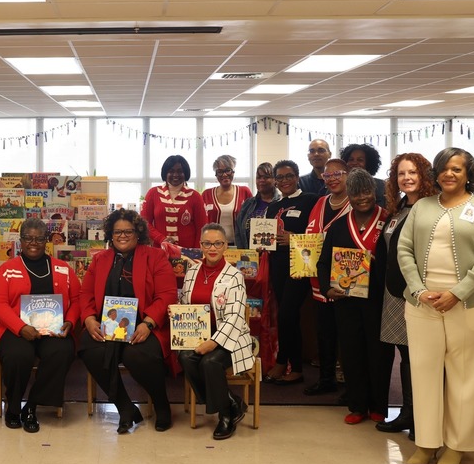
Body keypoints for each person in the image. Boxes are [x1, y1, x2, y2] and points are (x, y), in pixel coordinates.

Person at [398, 147, 474, 464]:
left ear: (468, 174)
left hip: (470, 303)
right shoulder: (422, 207)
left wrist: (457, 293)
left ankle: (457, 446)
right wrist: (418, 289)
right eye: (444, 168)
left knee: (465, 375)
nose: (449, 174)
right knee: (424, 371)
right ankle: (426, 443)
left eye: (457, 169)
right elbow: (404, 250)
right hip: (423, 302)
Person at [79, 209, 178, 433]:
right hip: (108, 326)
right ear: (110, 235)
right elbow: (85, 295)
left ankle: (161, 405)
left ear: (138, 232)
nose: (122, 236)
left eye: (128, 231)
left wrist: (149, 322)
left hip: (145, 325)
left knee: (137, 354)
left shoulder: (155, 256)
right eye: (117, 232)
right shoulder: (100, 259)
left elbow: (168, 294)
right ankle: (125, 407)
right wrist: (88, 319)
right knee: (89, 347)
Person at [0, 218, 80, 433]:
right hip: (14, 329)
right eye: (28, 238)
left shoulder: (64, 269)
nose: (33, 242)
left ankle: (32, 405)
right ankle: (13, 405)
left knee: (63, 351)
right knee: (18, 355)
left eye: (39, 238)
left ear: (47, 240)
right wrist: (20, 327)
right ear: (20, 240)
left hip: (53, 329)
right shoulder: (6, 270)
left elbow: (77, 300)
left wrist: (70, 321)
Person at [317, 169, 392, 425]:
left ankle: (379, 406)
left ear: (375, 192)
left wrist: (377, 261)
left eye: (367, 192)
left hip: (379, 300)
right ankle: (358, 405)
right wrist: (328, 289)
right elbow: (324, 262)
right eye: (356, 193)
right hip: (346, 301)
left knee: (379, 353)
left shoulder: (388, 221)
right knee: (351, 352)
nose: (362, 198)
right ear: (349, 195)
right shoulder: (339, 225)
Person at [375, 152, 438, 440]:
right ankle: (409, 413)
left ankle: (420, 417)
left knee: (417, 356)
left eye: (413, 172)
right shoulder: (400, 208)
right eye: (401, 173)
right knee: (406, 354)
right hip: (393, 291)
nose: (407, 178)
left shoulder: (431, 209)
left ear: (424, 175)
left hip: (415, 293)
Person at [179, 224, 255, 440]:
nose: (212, 248)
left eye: (218, 243)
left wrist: (213, 343)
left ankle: (225, 416)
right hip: (198, 334)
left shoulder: (234, 276)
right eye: (207, 243)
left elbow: (235, 317)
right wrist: (176, 311)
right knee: (185, 357)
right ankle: (232, 402)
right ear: (201, 245)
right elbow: (187, 304)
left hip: (232, 337)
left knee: (209, 362)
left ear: (225, 246)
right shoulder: (192, 271)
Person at [262, 160, 319, 385]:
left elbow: (318, 234)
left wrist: (293, 239)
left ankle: (289, 364)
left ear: (297, 177)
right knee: (285, 316)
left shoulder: (311, 200)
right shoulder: (274, 206)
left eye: (289, 176)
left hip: (300, 265)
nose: (284, 181)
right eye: (280, 177)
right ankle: (287, 362)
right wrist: (262, 242)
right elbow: (265, 235)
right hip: (277, 264)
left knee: (288, 314)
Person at [301, 157, 352, 396]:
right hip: (318, 279)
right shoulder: (320, 202)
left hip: (347, 280)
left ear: (348, 175)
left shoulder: (356, 202)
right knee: (325, 332)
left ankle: (351, 381)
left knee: (347, 333)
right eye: (327, 175)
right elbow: (309, 237)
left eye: (337, 174)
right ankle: (326, 378)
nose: (331, 179)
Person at [141, 154, 207, 248]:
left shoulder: (195, 196)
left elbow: (202, 228)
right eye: (171, 171)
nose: (175, 175)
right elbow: (144, 223)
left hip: (188, 254)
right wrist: (161, 239)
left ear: (185, 173)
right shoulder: (153, 193)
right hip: (160, 251)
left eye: (180, 171)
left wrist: (197, 253)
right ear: (165, 173)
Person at [202, 155, 253, 244]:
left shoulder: (244, 192)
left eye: (228, 170)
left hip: (239, 245)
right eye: (220, 172)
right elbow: (201, 222)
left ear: (233, 172)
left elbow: (252, 219)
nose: (224, 175)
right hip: (213, 245)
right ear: (216, 174)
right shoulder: (206, 194)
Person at [234, 162, 279, 249]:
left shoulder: (281, 203)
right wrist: (242, 254)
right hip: (249, 256)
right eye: (259, 177)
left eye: (266, 177)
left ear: (275, 180)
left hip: (273, 258)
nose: (262, 180)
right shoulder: (248, 204)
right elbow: (238, 232)